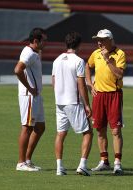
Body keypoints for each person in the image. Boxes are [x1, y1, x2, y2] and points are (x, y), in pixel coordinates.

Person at [85, 29, 126, 175]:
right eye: (98, 40)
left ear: (110, 40)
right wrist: (89, 83)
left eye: (102, 40)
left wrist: (108, 59)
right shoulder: (95, 53)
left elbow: (120, 74)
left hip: (114, 95)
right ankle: (104, 161)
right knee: (100, 129)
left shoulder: (120, 54)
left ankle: (117, 163)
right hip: (99, 96)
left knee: (115, 130)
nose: (99, 42)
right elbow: (87, 66)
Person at [52, 31, 93, 176]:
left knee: (61, 134)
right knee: (88, 133)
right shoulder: (79, 61)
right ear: (79, 44)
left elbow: (53, 81)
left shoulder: (57, 60)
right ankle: (82, 165)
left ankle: (59, 167)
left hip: (60, 102)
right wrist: (87, 105)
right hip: (73, 102)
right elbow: (81, 85)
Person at [14, 28, 47, 171]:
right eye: (44, 40)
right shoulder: (28, 53)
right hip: (29, 96)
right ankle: (21, 163)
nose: (45, 43)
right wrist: (30, 87)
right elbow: (17, 70)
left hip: (36, 96)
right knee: (27, 127)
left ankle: (27, 159)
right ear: (36, 41)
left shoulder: (34, 53)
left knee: (40, 127)